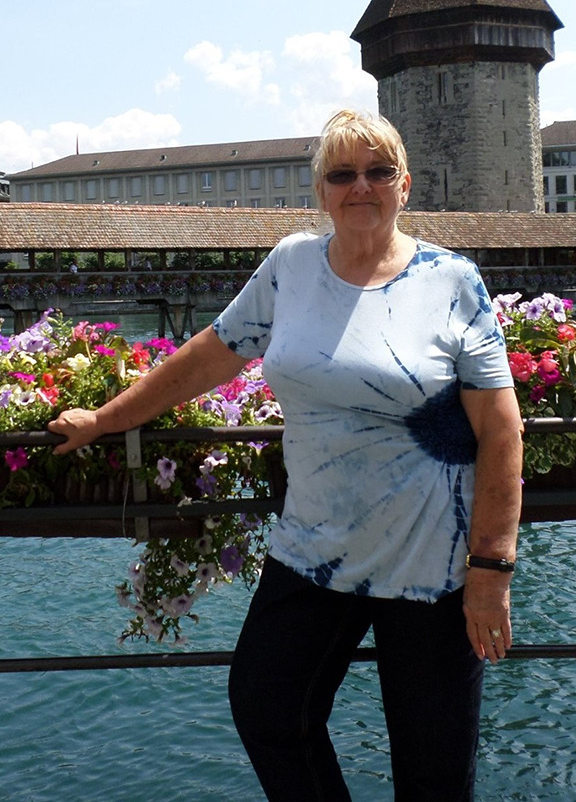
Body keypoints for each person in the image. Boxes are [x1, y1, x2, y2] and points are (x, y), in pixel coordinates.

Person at [49, 109, 523, 801]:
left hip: (432, 564)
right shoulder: (291, 265)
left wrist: (491, 570)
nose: (360, 186)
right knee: (267, 707)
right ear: (321, 191)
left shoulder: (451, 280)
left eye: (379, 171)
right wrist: (104, 419)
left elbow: (502, 431)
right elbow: (209, 357)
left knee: (434, 771)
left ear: (405, 185)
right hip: (313, 549)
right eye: (342, 174)